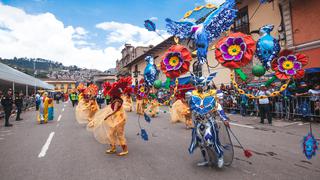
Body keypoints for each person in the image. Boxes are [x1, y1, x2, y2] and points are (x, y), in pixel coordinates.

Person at [87, 77, 132, 156]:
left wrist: (108, 116)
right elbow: (112, 109)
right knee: (110, 133)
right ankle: (113, 147)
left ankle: (125, 150)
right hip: (115, 118)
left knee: (119, 134)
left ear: (114, 94)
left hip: (119, 119)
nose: (109, 95)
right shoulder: (115, 100)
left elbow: (114, 110)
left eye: (111, 94)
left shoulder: (117, 101)